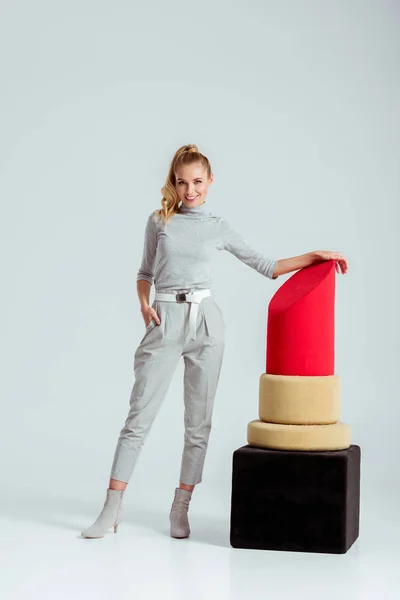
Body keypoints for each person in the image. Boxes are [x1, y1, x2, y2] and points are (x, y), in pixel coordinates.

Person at [81, 144, 348, 539]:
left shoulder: (217, 226)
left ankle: (181, 505)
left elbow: (266, 266)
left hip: (207, 324)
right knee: (138, 417)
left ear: (210, 182)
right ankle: (111, 508)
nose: (190, 190)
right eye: (182, 182)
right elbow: (144, 272)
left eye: (198, 182)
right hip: (166, 319)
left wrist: (313, 256)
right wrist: (143, 304)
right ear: (173, 182)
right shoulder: (159, 221)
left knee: (199, 422)